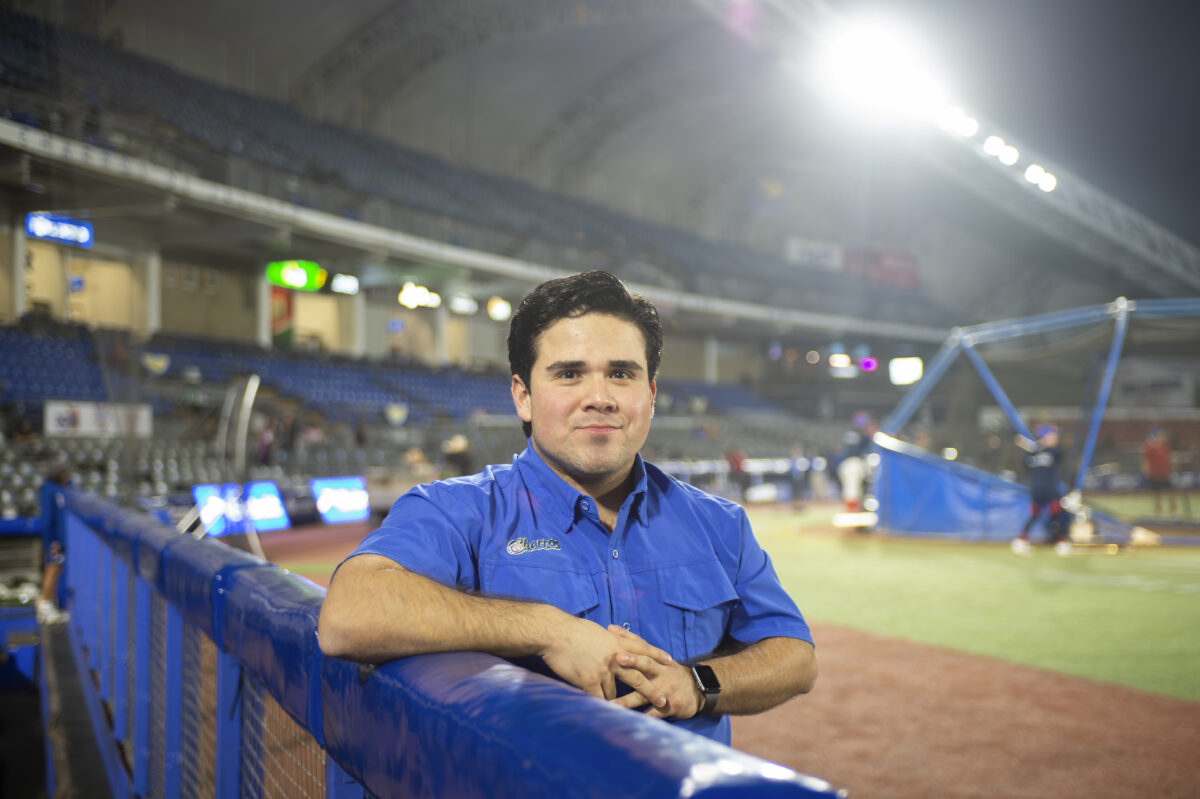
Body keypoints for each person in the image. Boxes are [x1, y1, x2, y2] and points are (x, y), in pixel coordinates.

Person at [319, 271, 816, 744]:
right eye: (569, 374)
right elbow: (349, 614)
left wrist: (699, 683)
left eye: (621, 374)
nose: (599, 397)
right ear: (523, 397)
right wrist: (548, 630)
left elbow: (794, 657)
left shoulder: (719, 523)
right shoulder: (459, 511)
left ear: (651, 394)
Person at [1012, 424, 1073, 556]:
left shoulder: (1053, 451)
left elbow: (1061, 453)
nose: (1054, 438)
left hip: (1050, 489)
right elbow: (1026, 464)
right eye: (1051, 435)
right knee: (1034, 515)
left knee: (1056, 514)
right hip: (1038, 489)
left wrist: (1042, 445)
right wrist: (1035, 448)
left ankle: (1061, 542)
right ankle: (1020, 541)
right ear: (1044, 437)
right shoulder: (1033, 452)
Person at [39, 459, 73, 623]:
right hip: (54, 540)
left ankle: (54, 605)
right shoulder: (48, 490)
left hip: (61, 538)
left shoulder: (63, 488)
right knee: (52, 568)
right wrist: (51, 541)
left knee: (58, 569)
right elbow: (47, 520)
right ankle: (45, 606)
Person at [1141, 426, 1176, 517]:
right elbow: (1145, 461)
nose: (1162, 437)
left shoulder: (1165, 447)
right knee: (1157, 495)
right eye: (1160, 435)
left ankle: (1173, 511)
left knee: (1170, 493)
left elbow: (1169, 460)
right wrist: (1147, 471)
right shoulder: (1149, 448)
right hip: (1154, 475)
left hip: (1165, 474)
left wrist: (1171, 469)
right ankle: (1158, 513)